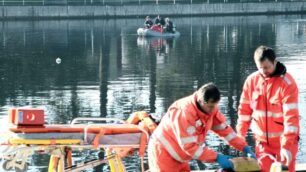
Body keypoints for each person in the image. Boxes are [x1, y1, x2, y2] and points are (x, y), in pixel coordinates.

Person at [148, 83, 255, 172]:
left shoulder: (211, 110)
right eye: (211, 106)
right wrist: (216, 157)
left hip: (181, 157)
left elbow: (226, 132)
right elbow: (189, 147)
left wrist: (244, 147)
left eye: (216, 105)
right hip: (163, 154)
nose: (213, 110)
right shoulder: (184, 113)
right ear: (200, 101)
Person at [236, 45, 299, 172]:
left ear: (275, 62)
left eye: (267, 67)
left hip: (285, 142)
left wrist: (286, 147)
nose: (264, 71)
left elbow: (291, 119)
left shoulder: (287, 84)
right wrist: (240, 137)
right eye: (260, 68)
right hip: (262, 144)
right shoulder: (251, 81)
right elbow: (244, 113)